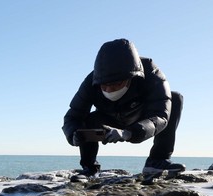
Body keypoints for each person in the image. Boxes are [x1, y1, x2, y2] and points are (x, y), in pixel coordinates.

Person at [62, 38, 185, 177]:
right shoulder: (91, 81)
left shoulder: (152, 73)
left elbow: (161, 116)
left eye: (115, 84)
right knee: (86, 120)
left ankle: (157, 161)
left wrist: (129, 133)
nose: (109, 89)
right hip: (108, 118)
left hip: (142, 116)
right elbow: (72, 116)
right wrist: (73, 135)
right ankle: (89, 169)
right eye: (104, 85)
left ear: (131, 77)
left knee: (175, 99)